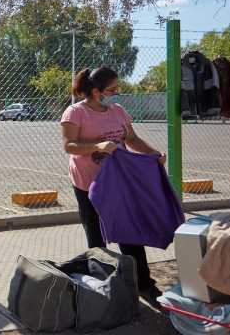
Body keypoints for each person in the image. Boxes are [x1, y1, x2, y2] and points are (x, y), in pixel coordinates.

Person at [60, 67, 167, 303]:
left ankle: (143, 284)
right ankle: (103, 289)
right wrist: (97, 147)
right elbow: (69, 146)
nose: (117, 92)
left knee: (131, 234)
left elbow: (131, 139)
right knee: (96, 238)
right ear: (96, 91)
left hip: (120, 182)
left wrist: (154, 153)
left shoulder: (117, 111)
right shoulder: (75, 112)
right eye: (112, 89)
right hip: (88, 184)